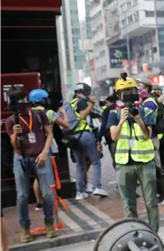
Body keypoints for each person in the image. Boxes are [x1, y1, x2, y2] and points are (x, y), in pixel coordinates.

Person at [4, 88, 58, 242]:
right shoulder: (10, 121)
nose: (22, 107)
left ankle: (50, 223)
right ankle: (25, 228)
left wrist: (44, 152)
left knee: (47, 194)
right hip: (21, 158)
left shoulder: (39, 115)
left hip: (41, 156)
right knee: (22, 196)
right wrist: (14, 134)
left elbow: (49, 134)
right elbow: (14, 146)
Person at [108, 76, 159, 232]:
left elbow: (147, 134)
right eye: (123, 92)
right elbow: (113, 136)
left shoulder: (145, 110)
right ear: (118, 95)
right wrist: (122, 120)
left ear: (137, 92)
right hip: (124, 163)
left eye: (130, 91)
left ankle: (153, 235)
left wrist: (138, 119)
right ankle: (135, 234)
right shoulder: (114, 113)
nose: (127, 95)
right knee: (128, 203)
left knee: (151, 202)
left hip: (145, 161)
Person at [66, 83, 108, 199]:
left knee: (80, 165)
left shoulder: (69, 104)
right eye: (89, 93)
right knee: (95, 162)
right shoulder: (82, 102)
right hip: (84, 135)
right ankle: (97, 187)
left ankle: (80, 192)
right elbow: (83, 116)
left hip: (73, 137)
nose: (90, 95)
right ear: (85, 93)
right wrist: (91, 104)